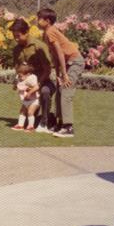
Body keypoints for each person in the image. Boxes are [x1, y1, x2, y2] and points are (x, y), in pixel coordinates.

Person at [37, 8, 84, 138]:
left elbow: (60, 53)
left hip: (74, 62)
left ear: (47, 21)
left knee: (66, 91)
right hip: (67, 64)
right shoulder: (47, 33)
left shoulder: (51, 31)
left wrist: (65, 74)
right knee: (60, 90)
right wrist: (58, 74)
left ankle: (68, 128)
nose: (37, 21)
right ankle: (60, 123)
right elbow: (55, 56)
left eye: (39, 19)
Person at [10, 17, 56, 133]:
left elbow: (48, 69)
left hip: (44, 81)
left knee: (45, 92)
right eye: (14, 36)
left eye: (18, 36)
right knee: (29, 116)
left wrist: (38, 86)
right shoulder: (16, 49)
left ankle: (44, 122)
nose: (16, 39)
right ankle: (48, 117)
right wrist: (18, 82)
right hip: (28, 85)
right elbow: (18, 68)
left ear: (26, 32)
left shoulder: (39, 46)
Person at [11, 62, 40, 131]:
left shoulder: (30, 79)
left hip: (34, 100)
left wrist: (29, 92)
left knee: (30, 112)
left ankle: (30, 127)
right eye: (19, 75)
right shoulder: (19, 78)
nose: (20, 77)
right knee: (22, 111)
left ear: (28, 74)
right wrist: (15, 85)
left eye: (21, 76)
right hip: (25, 100)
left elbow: (36, 87)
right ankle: (20, 125)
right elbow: (16, 86)